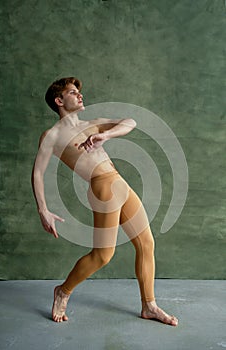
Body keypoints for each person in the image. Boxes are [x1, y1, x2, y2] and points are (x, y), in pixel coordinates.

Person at [31, 77, 178, 326]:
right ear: (59, 101)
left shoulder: (93, 124)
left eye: (79, 92)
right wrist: (43, 209)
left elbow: (130, 122)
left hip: (121, 183)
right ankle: (63, 291)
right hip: (102, 187)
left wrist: (106, 136)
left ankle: (149, 305)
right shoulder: (52, 135)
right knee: (103, 255)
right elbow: (38, 172)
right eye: (73, 93)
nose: (80, 96)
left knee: (146, 243)